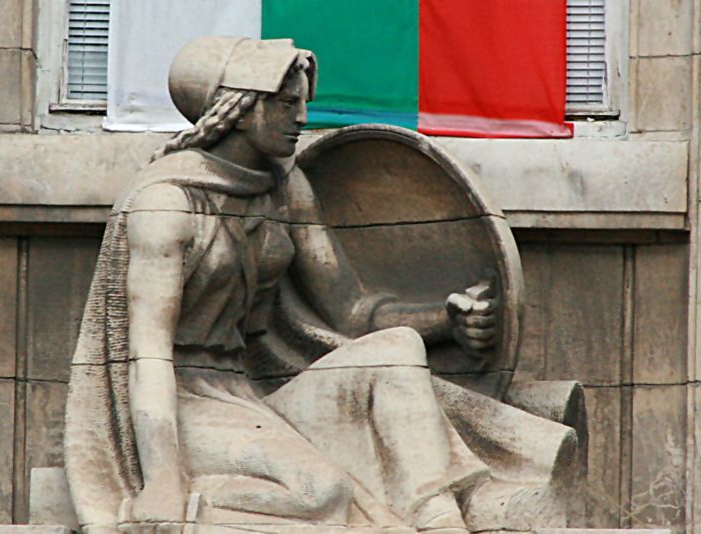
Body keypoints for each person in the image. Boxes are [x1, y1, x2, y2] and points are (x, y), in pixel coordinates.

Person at [65, 37, 577, 534]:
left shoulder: (285, 187)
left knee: (397, 349)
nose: (302, 118)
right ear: (237, 110)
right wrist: (162, 482)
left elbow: (350, 309)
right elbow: (148, 354)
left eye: (302, 103)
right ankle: (196, 509)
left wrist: (447, 320)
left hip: (257, 396)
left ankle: (439, 516)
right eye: (287, 104)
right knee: (322, 493)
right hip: (184, 405)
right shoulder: (166, 205)